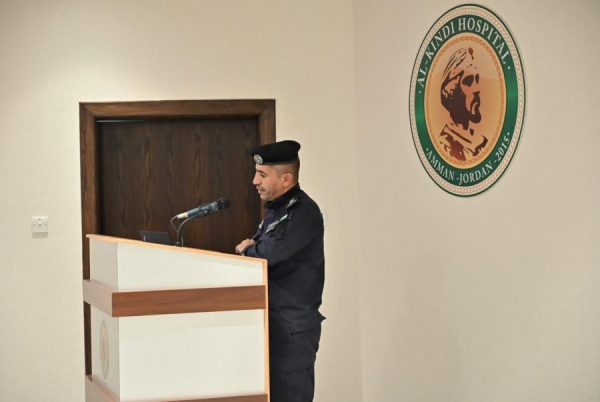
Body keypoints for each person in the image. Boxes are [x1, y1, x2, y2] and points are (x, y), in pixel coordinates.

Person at [235, 140, 325, 402]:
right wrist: (252, 249)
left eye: (262, 175)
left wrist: (248, 249)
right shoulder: (277, 211)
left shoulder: (302, 211)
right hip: (274, 324)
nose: (255, 181)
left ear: (286, 179)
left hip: (291, 330)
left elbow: (268, 254)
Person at [439, 47, 488, 162]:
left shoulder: (482, 141)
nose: (477, 89)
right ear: (452, 91)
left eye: (477, 79)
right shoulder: (446, 145)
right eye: (468, 81)